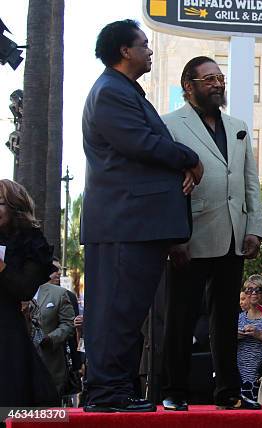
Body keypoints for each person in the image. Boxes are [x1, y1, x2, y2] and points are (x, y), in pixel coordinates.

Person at [81, 19, 203, 413]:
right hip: (123, 225)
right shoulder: (111, 93)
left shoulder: (123, 91)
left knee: (127, 313)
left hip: (135, 225)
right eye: (144, 44)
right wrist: (189, 158)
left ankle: (115, 388)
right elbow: (143, 143)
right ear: (124, 51)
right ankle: (106, 393)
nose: (149, 51)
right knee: (116, 311)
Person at [161, 56, 262, 411]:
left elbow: (249, 181)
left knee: (225, 320)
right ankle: (174, 392)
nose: (218, 84)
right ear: (188, 86)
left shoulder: (237, 126)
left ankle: (229, 394)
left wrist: (254, 228)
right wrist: (173, 237)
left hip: (234, 235)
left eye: (220, 78)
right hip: (189, 237)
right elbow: (164, 184)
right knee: (181, 317)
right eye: (209, 79)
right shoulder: (169, 124)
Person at [0, 179, 59, 407]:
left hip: (7, 332)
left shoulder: (32, 242)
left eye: (0, 203)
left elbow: (24, 288)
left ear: (15, 207)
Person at [33, 259, 76, 394]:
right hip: (16, 365)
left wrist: (51, 339)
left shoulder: (58, 293)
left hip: (49, 365)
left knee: (49, 413)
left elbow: (69, 324)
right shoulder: (11, 292)